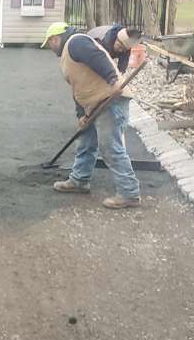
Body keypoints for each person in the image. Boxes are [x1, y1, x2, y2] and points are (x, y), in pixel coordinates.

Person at [40, 22, 141, 209]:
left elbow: (97, 57)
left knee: (111, 147)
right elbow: (78, 87)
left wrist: (113, 79)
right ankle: (79, 180)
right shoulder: (68, 55)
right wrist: (81, 115)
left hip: (110, 100)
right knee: (86, 141)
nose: (49, 47)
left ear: (55, 38)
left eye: (49, 43)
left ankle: (129, 193)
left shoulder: (76, 42)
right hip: (94, 105)